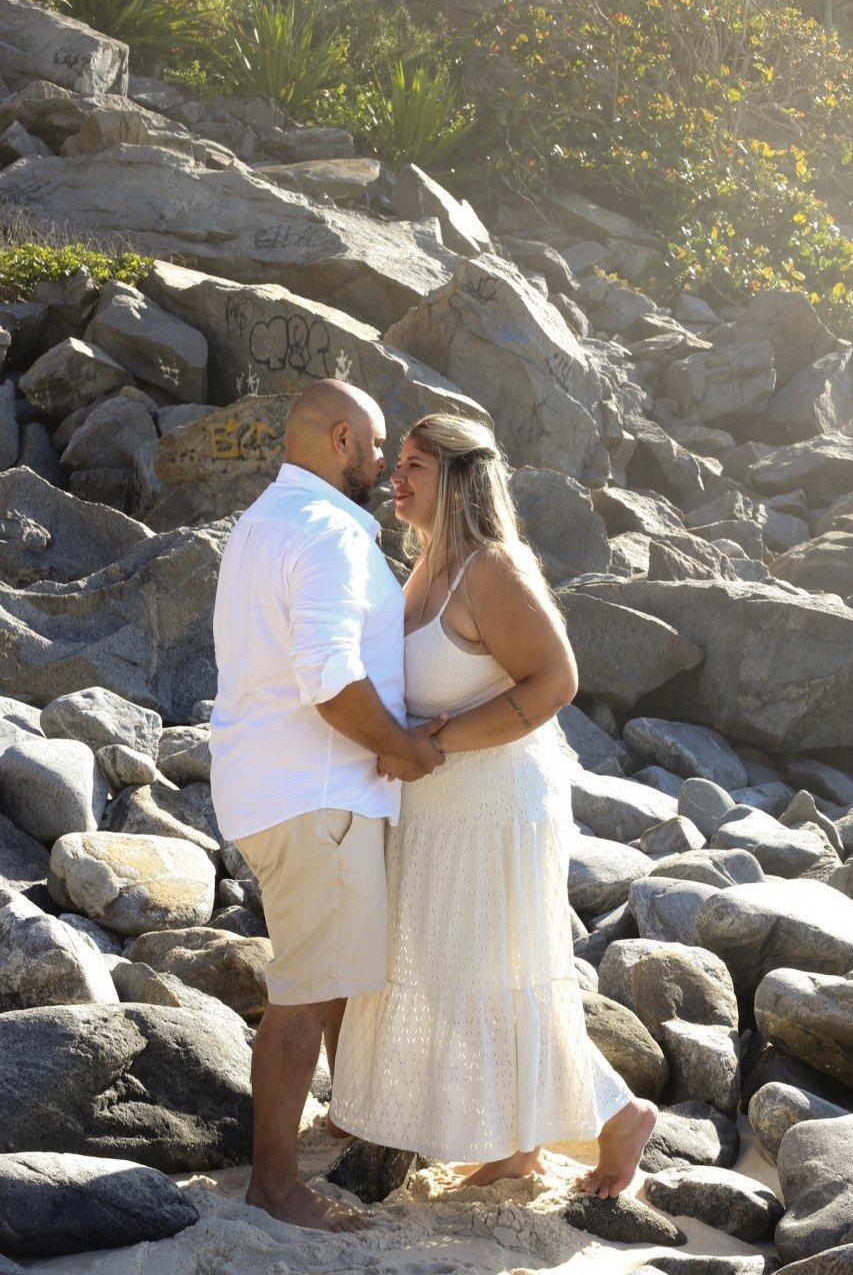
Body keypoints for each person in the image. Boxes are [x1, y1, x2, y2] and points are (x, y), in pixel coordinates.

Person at [330, 413, 656, 1197]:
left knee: (492, 972)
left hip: (495, 803)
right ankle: (529, 1139)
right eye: (397, 462)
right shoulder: (423, 568)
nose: (395, 476)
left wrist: (435, 744)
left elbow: (555, 680)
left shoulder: (489, 568)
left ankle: (608, 1119)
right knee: (447, 968)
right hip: (435, 803)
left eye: (414, 464)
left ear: (459, 478)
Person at [209, 380, 446, 1233]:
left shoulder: (263, 521)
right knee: (307, 991)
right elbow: (327, 672)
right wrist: (400, 747)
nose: (382, 465)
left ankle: (349, 1118)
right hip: (319, 796)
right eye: (376, 447)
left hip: (274, 786)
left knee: (331, 975)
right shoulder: (328, 531)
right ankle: (275, 1186)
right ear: (341, 439)